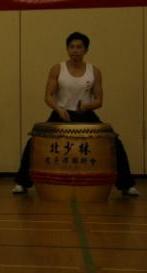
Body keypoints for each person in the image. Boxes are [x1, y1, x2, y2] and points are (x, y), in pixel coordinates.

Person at [12, 32, 139, 196]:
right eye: (71, 47)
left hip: (85, 114)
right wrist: (58, 108)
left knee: (114, 142)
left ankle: (126, 185)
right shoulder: (58, 68)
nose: (75, 50)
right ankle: (22, 183)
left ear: (86, 50)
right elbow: (48, 96)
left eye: (79, 47)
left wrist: (86, 106)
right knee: (34, 141)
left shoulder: (95, 71)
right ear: (67, 49)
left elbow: (99, 100)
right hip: (61, 113)